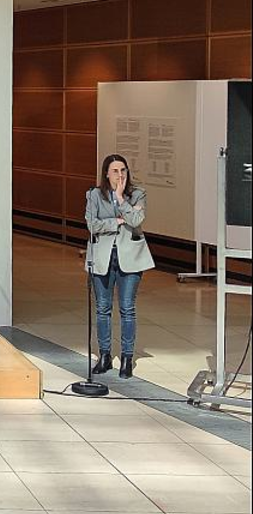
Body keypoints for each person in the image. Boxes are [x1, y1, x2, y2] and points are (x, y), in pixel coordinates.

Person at [85, 153, 154, 379]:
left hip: (130, 258)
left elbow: (136, 221)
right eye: (115, 171)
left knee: (127, 308)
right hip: (103, 258)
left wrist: (121, 199)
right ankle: (104, 356)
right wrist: (116, 221)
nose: (120, 174)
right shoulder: (94, 195)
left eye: (123, 170)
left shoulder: (137, 194)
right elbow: (92, 225)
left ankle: (126, 358)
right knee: (103, 309)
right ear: (106, 173)